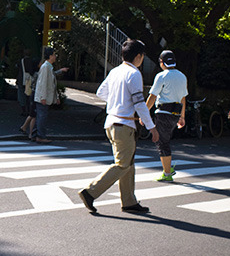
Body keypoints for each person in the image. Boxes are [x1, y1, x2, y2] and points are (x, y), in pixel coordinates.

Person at [78, 39, 158, 215]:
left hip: (111, 122)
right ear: (138, 56)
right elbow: (139, 103)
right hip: (124, 124)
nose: (142, 59)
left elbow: (101, 92)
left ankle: (129, 201)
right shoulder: (134, 73)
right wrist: (151, 126)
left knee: (128, 163)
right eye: (142, 56)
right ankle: (90, 192)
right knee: (123, 164)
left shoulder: (115, 71)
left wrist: (116, 103)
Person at [145, 50, 187, 181]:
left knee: (162, 142)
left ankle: (167, 173)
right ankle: (168, 169)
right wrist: (182, 117)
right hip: (175, 114)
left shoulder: (161, 76)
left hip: (163, 113)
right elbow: (183, 99)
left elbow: (152, 96)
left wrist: (144, 113)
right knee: (164, 141)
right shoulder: (182, 76)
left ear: (162, 62)